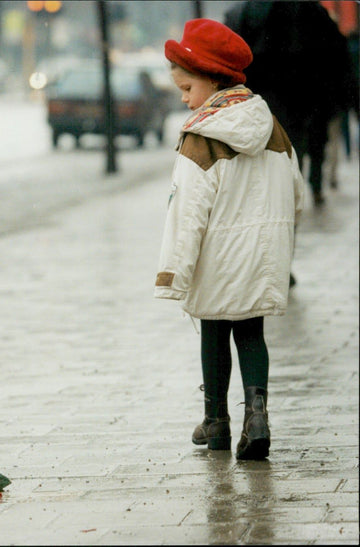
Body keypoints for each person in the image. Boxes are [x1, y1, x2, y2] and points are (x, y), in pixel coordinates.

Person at [154, 19, 304, 460]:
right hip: (262, 255)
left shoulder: (200, 136)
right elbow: (295, 193)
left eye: (187, 88)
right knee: (252, 333)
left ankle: (216, 420)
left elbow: (186, 212)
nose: (184, 98)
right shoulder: (271, 125)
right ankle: (257, 415)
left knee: (214, 331)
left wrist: (173, 274)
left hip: (217, 257)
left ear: (211, 79)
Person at [224, 1, 349, 206]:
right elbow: (335, 54)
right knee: (303, 144)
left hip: (263, 95)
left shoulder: (243, 11)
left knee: (274, 149)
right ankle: (305, 189)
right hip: (305, 93)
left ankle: (283, 197)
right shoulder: (312, 9)